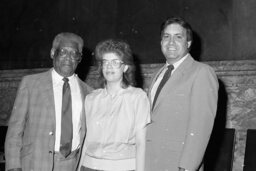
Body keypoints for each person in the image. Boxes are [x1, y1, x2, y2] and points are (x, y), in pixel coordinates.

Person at [5, 32, 93, 171]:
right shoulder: (31, 84)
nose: (68, 58)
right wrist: (13, 167)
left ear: (79, 58)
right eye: (63, 51)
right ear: (53, 53)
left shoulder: (89, 92)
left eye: (74, 53)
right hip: (34, 164)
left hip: (71, 164)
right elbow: (15, 131)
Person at [145, 17, 219, 171]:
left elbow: (201, 127)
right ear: (161, 42)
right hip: (150, 161)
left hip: (177, 164)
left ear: (188, 43)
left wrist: (187, 167)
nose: (171, 42)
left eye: (178, 37)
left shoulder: (201, 72)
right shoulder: (156, 75)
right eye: (166, 36)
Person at [78, 39, 150, 171]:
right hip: (89, 167)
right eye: (105, 62)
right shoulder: (91, 99)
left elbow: (141, 143)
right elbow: (86, 141)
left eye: (115, 62)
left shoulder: (138, 97)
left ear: (125, 67)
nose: (109, 66)